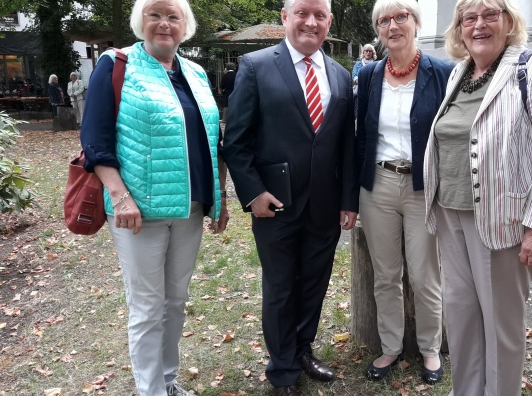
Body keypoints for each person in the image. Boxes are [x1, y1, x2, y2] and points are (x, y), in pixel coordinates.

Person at [423, 0, 532, 394]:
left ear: (509, 22)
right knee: (461, 319)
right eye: (469, 18)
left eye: (490, 14)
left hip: (502, 221)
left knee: (501, 328)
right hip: (450, 214)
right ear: (459, 29)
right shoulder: (459, 73)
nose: (479, 25)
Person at [79, 0, 229, 394]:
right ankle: (150, 391)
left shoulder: (195, 72)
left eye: (173, 16)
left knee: (175, 302)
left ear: (185, 25)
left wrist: (219, 198)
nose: (164, 23)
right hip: (137, 213)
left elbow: (210, 141)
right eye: (155, 14)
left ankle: (168, 381)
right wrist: (120, 196)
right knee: (147, 307)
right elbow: (95, 140)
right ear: (140, 21)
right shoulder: (117, 65)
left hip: (190, 208)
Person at [222, 0, 358, 394]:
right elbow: (236, 141)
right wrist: (252, 193)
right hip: (274, 204)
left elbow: (345, 145)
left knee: (314, 283)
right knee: (281, 288)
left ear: (329, 22)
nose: (311, 22)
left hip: (325, 205)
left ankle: (302, 349)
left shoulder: (338, 73)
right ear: (286, 17)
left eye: (320, 15)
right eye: (302, 12)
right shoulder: (256, 66)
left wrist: (348, 200)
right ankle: (282, 369)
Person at [354, 0, 454, 385]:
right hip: (377, 185)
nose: (392, 25)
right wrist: (353, 193)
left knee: (425, 274)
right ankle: (390, 346)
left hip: (422, 186)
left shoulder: (442, 72)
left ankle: (430, 348)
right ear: (378, 29)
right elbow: (362, 136)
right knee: (385, 274)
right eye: (384, 20)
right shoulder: (371, 74)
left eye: (401, 17)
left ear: (415, 22)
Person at [351, 43, 376, 116]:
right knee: (358, 113)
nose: (368, 53)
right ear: (363, 53)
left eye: (370, 51)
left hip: (371, 93)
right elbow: (354, 76)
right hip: (359, 92)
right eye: (366, 51)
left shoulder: (376, 65)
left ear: (372, 53)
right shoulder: (358, 64)